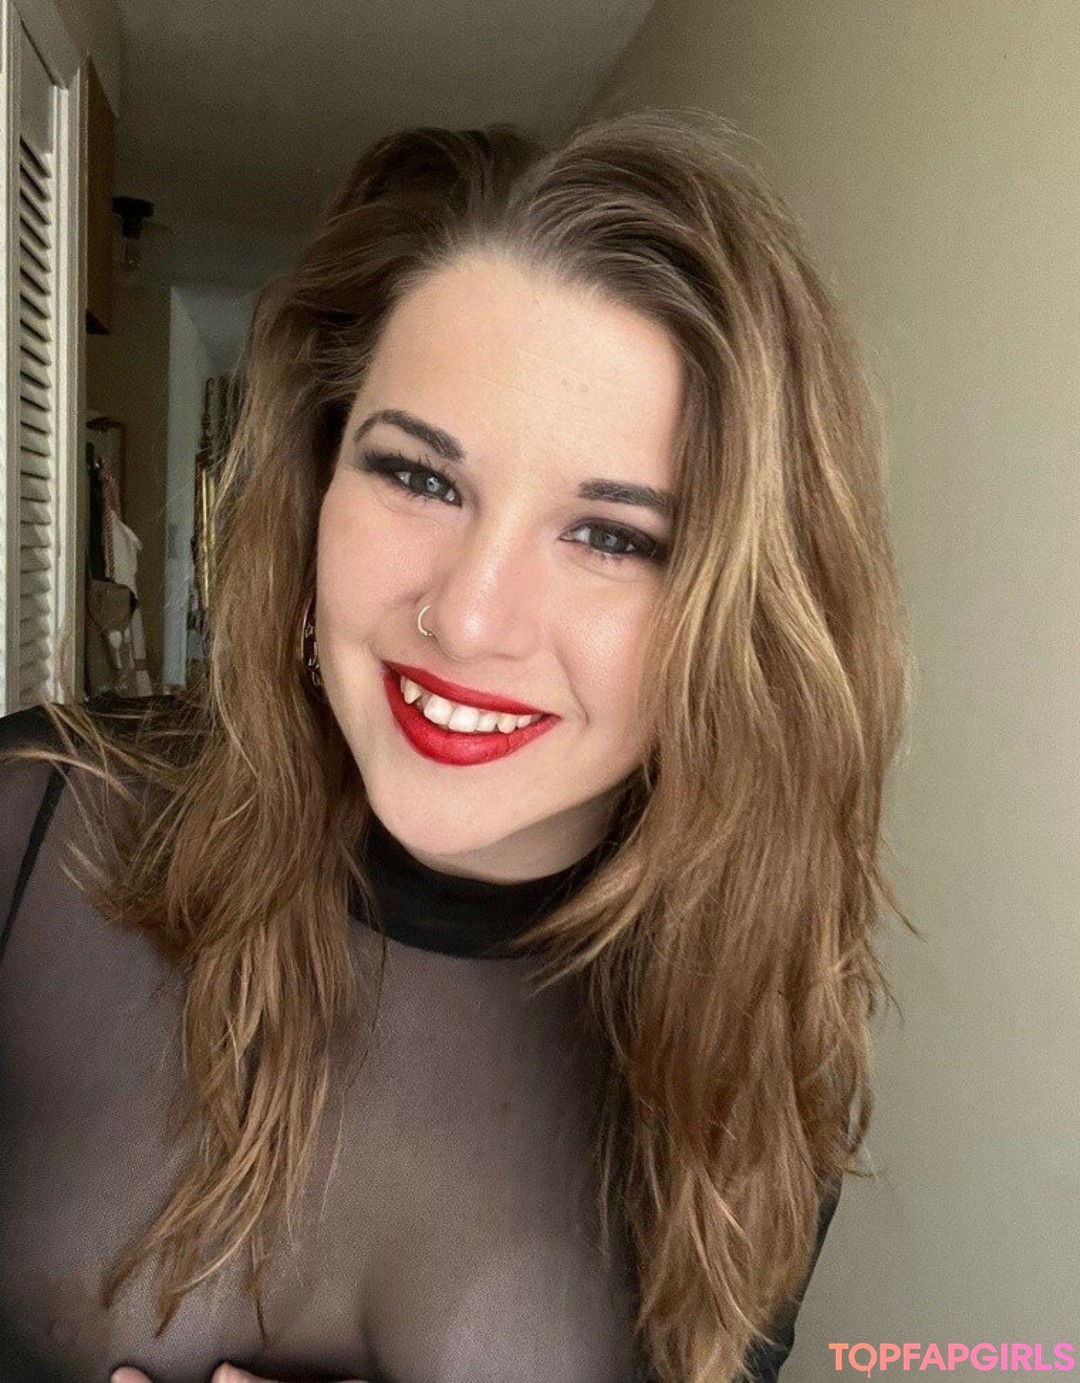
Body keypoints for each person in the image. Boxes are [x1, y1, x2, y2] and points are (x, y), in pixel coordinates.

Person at [0, 110, 915, 1383]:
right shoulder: (38, 831)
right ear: (319, 478)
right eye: (421, 478)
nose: (469, 619)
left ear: (746, 615)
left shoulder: (743, 1047)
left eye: (614, 537)